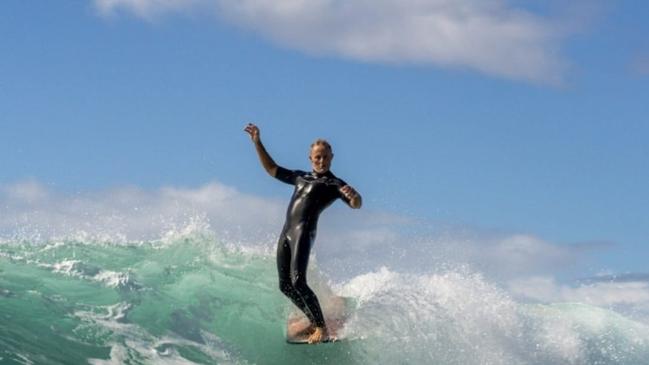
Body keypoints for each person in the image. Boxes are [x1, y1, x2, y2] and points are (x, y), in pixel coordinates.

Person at [244, 123, 362, 344]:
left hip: (304, 233)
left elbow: (356, 204)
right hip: (286, 233)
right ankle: (313, 320)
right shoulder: (300, 178)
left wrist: (354, 196)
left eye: (325, 157)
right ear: (310, 158)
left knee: (298, 281)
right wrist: (257, 142)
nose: (321, 161)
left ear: (332, 158)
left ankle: (321, 328)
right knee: (285, 285)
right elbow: (272, 169)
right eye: (317, 157)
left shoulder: (335, 184)